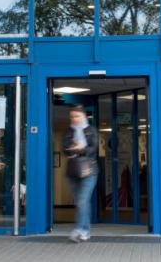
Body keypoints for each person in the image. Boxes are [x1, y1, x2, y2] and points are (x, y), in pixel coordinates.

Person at [63, 104, 98, 243]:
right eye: (72, 116)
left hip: (89, 170)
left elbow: (93, 149)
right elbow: (65, 148)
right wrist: (73, 149)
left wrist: (80, 149)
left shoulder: (91, 130)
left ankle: (79, 229)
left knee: (83, 201)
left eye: (77, 116)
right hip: (73, 170)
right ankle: (86, 230)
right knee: (80, 202)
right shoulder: (68, 131)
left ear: (84, 116)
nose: (74, 119)